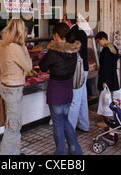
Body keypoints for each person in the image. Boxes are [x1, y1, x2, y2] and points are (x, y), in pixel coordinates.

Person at [39, 22, 83, 155]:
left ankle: (60, 153)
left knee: (58, 122)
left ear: (57, 35)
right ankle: (75, 150)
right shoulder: (73, 52)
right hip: (67, 89)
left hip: (56, 89)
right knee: (65, 120)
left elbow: (42, 66)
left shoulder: (54, 52)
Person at [0, 19, 33, 155]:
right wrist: (24, 47)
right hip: (14, 91)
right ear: (21, 31)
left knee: (12, 123)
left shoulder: (0, 46)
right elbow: (29, 66)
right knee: (13, 126)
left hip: (5, 88)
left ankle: (14, 153)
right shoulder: (16, 48)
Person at [63, 14, 90, 133]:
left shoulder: (72, 33)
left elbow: (71, 53)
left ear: (68, 21)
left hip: (77, 70)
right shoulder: (81, 31)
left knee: (75, 100)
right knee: (82, 98)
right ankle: (84, 124)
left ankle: (70, 127)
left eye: (63, 20)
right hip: (84, 68)